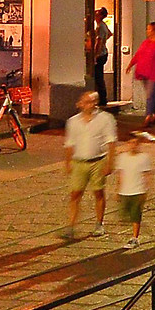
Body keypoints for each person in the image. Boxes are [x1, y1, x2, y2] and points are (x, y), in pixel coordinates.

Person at [61, 89, 116, 240]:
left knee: (98, 192)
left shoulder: (106, 119)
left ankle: (99, 224)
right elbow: (69, 143)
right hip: (79, 162)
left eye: (92, 102)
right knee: (75, 194)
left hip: (98, 161)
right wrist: (68, 162)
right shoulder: (73, 121)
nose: (90, 105)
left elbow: (111, 141)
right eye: (87, 102)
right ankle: (71, 226)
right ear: (80, 104)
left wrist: (110, 162)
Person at [112, 119, 153, 247]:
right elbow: (120, 174)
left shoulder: (143, 158)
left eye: (136, 143)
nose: (133, 145)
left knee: (135, 215)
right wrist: (118, 189)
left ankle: (135, 237)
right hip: (125, 190)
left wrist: (146, 190)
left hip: (138, 190)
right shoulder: (122, 157)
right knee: (124, 214)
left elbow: (147, 175)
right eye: (131, 143)